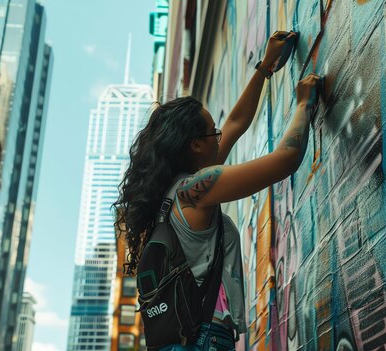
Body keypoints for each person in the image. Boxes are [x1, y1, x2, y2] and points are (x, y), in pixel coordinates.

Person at [113, 30, 320, 351]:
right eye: (213, 133)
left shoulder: (172, 198)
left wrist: (266, 66)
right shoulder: (196, 190)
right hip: (205, 340)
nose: (219, 136)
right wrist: (304, 103)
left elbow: (236, 122)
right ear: (195, 145)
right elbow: (286, 160)